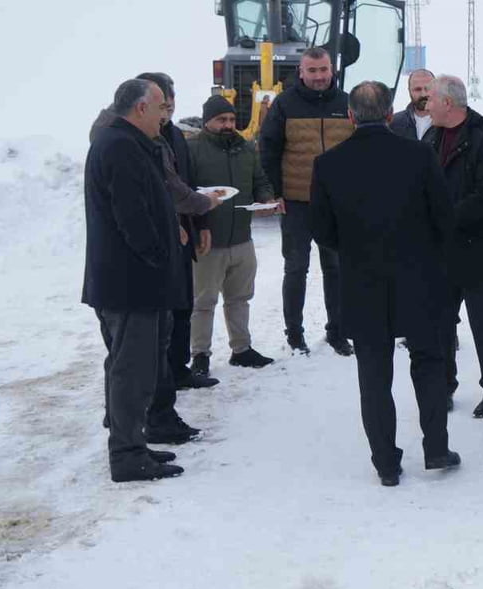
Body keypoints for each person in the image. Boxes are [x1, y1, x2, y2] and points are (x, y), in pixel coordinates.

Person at [310, 81, 460, 485]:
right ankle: (436, 449)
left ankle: (386, 463)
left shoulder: (328, 164)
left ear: (350, 116)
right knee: (429, 363)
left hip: (362, 281)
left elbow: (321, 230)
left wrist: (354, 248)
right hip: (419, 277)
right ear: (391, 114)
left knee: (374, 374)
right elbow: (444, 216)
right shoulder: (418, 155)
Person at [82, 79, 186, 482]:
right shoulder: (120, 147)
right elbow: (132, 218)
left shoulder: (125, 143)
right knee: (131, 371)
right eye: (160, 107)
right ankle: (126, 455)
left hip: (133, 282)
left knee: (133, 368)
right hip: (130, 285)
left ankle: (134, 444)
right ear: (141, 108)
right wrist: (161, 258)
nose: (165, 115)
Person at [259, 47, 354, 356]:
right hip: (297, 201)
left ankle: (338, 331)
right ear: (301, 72)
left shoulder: (346, 103)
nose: (318, 76)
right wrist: (275, 193)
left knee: (337, 268)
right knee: (297, 268)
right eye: (312, 71)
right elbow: (268, 150)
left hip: (337, 203)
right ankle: (295, 333)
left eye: (323, 70)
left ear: (332, 69)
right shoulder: (285, 104)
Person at [426, 74, 483, 418]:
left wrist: (444, 217)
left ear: (448, 103)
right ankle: (445, 387)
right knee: (441, 323)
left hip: (479, 247)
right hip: (442, 250)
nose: (426, 105)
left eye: (430, 99)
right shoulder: (432, 138)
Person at [137, 72, 220, 397]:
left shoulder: (176, 136)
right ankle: (156, 383)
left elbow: (187, 185)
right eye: (163, 107)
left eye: (171, 107)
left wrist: (201, 226)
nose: (167, 114)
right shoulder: (136, 141)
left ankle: (178, 369)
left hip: (185, 234)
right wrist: (175, 226)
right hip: (160, 239)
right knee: (161, 316)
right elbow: (159, 193)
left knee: (183, 303)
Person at [186, 95, 278, 381]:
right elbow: (185, 192)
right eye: (220, 120)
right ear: (207, 122)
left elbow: (259, 179)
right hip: (208, 241)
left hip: (241, 239)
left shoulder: (245, 148)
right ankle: (200, 355)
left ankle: (241, 349)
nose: (227, 125)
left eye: (230, 119)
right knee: (203, 301)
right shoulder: (192, 150)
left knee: (240, 298)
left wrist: (265, 199)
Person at [390, 68, 437, 142]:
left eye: (428, 89)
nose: (423, 94)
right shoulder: (395, 122)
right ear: (409, 90)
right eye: (418, 89)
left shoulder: (447, 122)